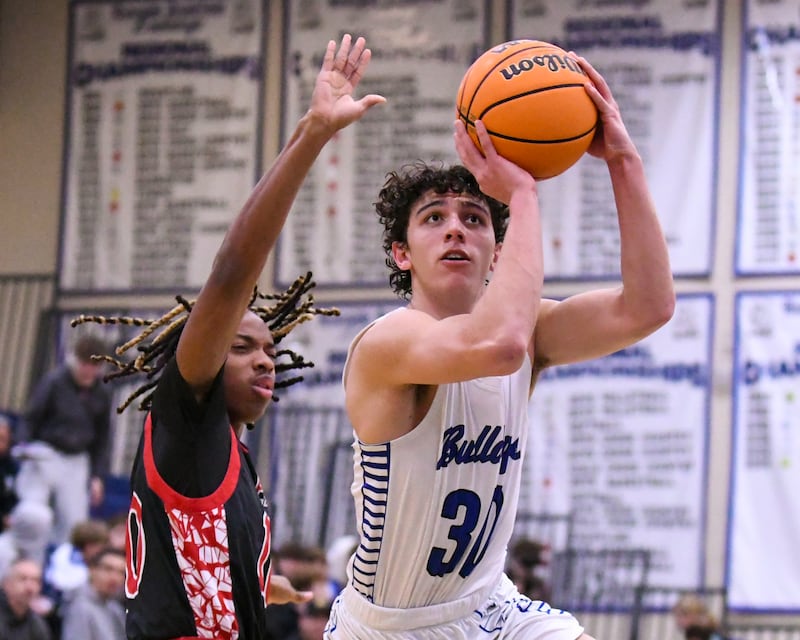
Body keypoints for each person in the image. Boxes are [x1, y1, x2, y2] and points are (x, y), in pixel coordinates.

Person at [326, 52, 675, 639]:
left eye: (475, 217)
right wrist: (523, 194)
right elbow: (500, 343)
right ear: (401, 254)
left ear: (495, 249)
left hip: (490, 604)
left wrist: (623, 161)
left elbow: (648, 307)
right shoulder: (390, 342)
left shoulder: (526, 332)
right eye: (433, 218)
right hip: (393, 627)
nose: (457, 227)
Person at [71, 34, 384, 639]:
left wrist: (268, 583)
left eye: (269, 348)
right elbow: (234, 271)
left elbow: (197, 564)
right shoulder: (188, 421)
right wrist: (314, 136)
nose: (265, 360)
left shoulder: (227, 457)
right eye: (240, 347)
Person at [14, 333, 112, 564]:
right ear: (74, 360)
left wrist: (97, 475)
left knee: (74, 525)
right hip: (46, 454)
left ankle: (62, 578)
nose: (88, 371)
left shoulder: (103, 392)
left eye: (94, 366)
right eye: (84, 364)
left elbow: (103, 437)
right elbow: (31, 418)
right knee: (35, 515)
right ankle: (27, 567)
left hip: (77, 460)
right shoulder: (55, 381)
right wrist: (23, 446)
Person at [60, 546, 126, 640]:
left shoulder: (115, 609)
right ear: (92, 570)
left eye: (121, 572)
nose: (114, 577)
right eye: (108, 569)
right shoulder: (79, 607)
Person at [0, 558, 52, 639]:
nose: (30, 587)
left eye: (36, 580)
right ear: (6, 584)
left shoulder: (36, 624)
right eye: (23, 579)